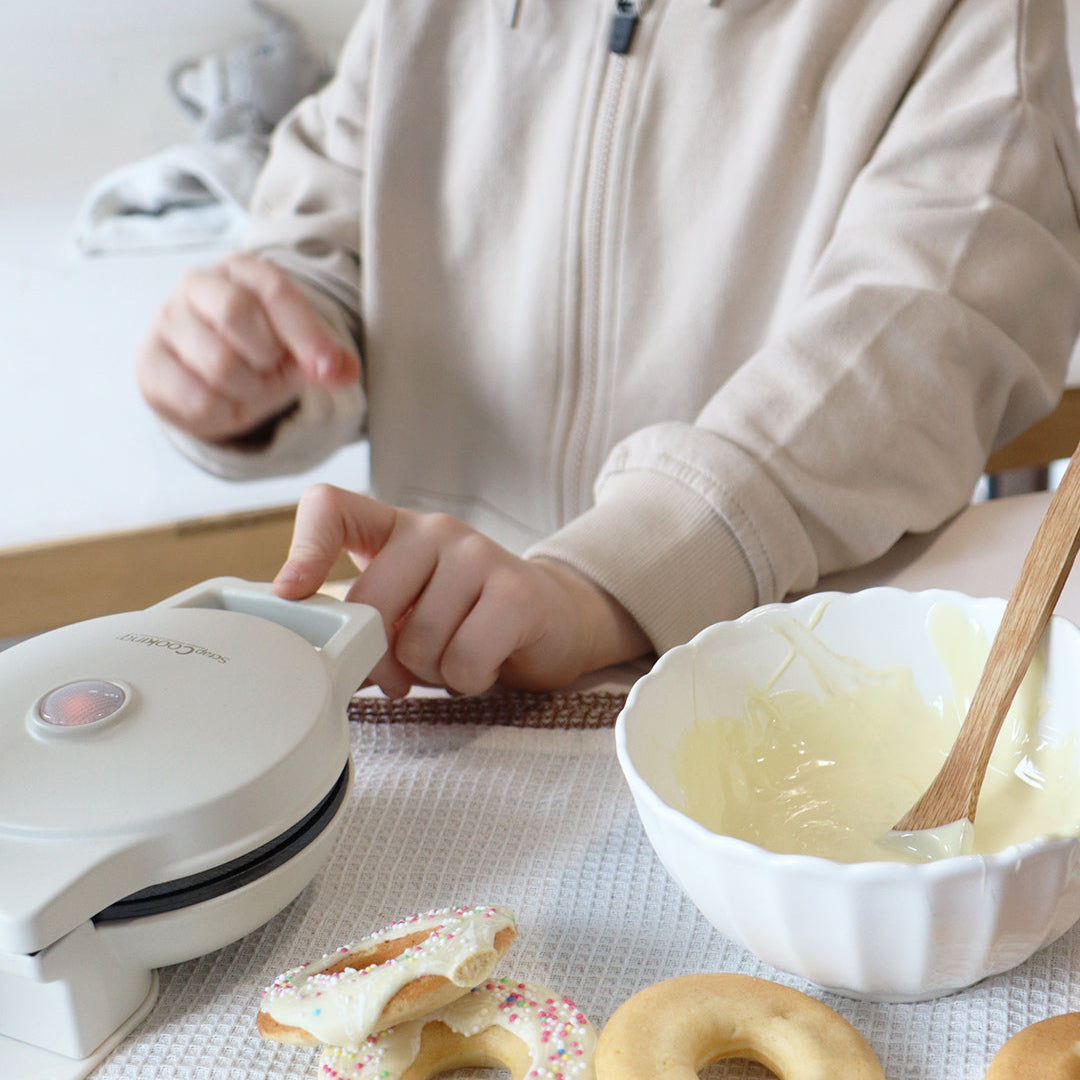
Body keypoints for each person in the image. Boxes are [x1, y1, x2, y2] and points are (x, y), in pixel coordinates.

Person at [136, 0, 1080, 698]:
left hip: (777, 686)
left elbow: (913, 342)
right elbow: (332, 240)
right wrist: (253, 352)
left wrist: (600, 587)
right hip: (438, 664)